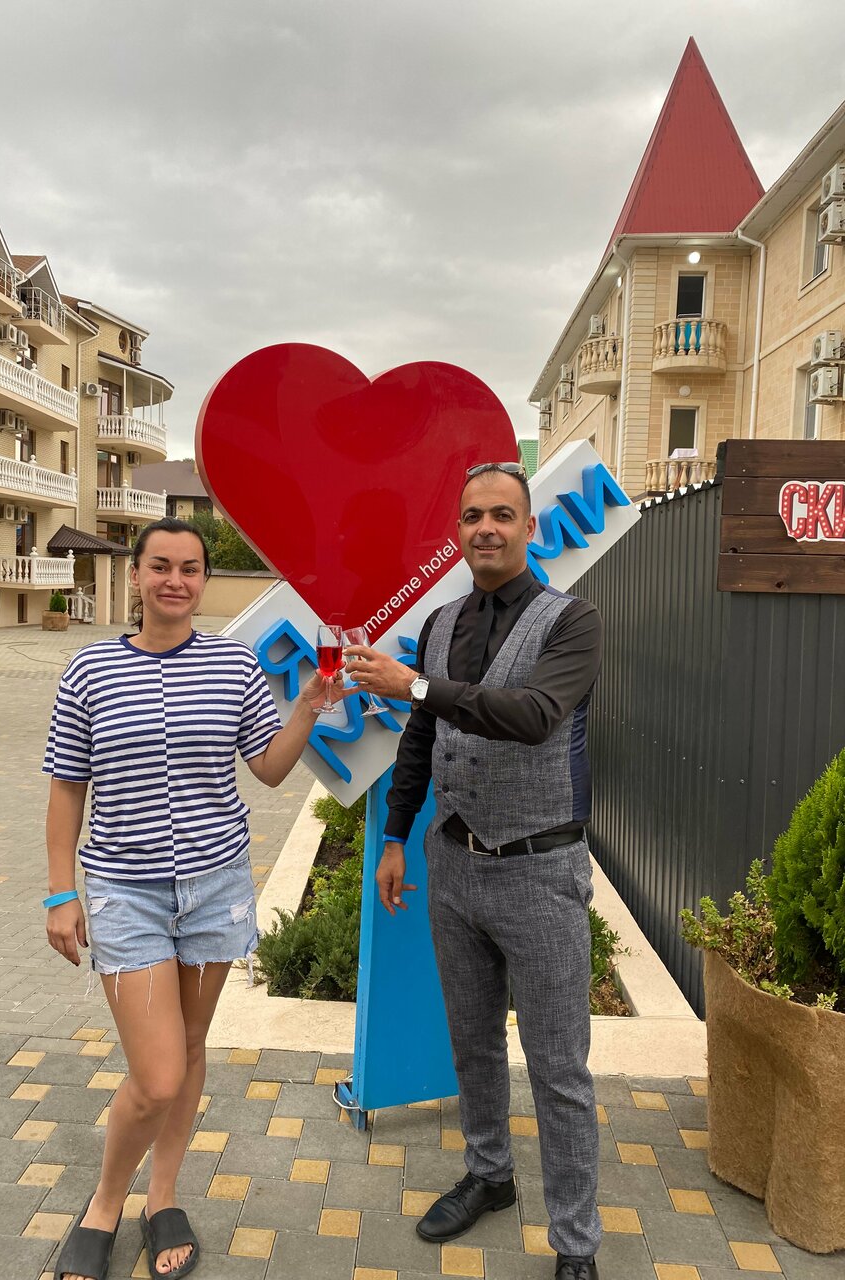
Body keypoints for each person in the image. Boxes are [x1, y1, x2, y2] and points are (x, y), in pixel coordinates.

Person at [43, 517, 345, 1280]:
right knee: (158, 1075)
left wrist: (307, 706)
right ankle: (106, 1202)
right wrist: (59, 893)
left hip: (216, 891)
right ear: (137, 575)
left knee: (193, 1046)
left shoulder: (232, 665)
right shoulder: (89, 671)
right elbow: (67, 788)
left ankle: (164, 1196)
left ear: (203, 580)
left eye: (190, 568)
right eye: (161, 566)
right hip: (126, 893)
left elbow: (267, 769)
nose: (175, 580)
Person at [344, 463, 604, 1280]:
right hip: (453, 866)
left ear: (530, 527)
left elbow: (533, 717)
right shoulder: (441, 621)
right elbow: (421, 737)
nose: (485, 527)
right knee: (473, 1043)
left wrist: (417, 685)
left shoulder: (573, 622)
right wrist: (394, 836)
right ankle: (490, 1174)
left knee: (559, 1068)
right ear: (457, 531)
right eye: (471, 516)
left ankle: (576, 1243)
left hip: (540, 868)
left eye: (502, 514)